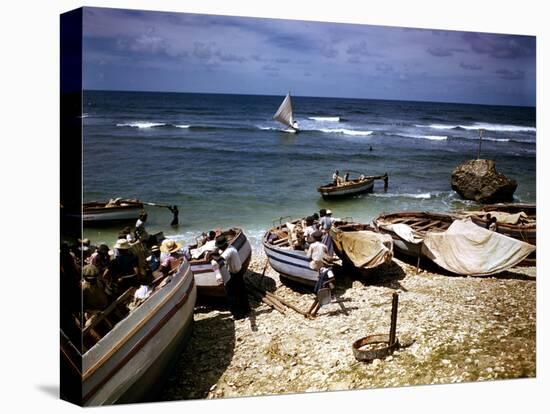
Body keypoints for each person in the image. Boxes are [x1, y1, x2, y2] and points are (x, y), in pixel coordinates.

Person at [212, 235, 250, 319]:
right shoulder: (230, 248)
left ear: (223, 245)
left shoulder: (229, 251)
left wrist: (212, 256)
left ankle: (238, 314)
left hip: (235, 274)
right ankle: (246, 310)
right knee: (241, 291)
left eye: (220, 246)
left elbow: (220, 260)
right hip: (237, 272)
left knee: (232, 294)